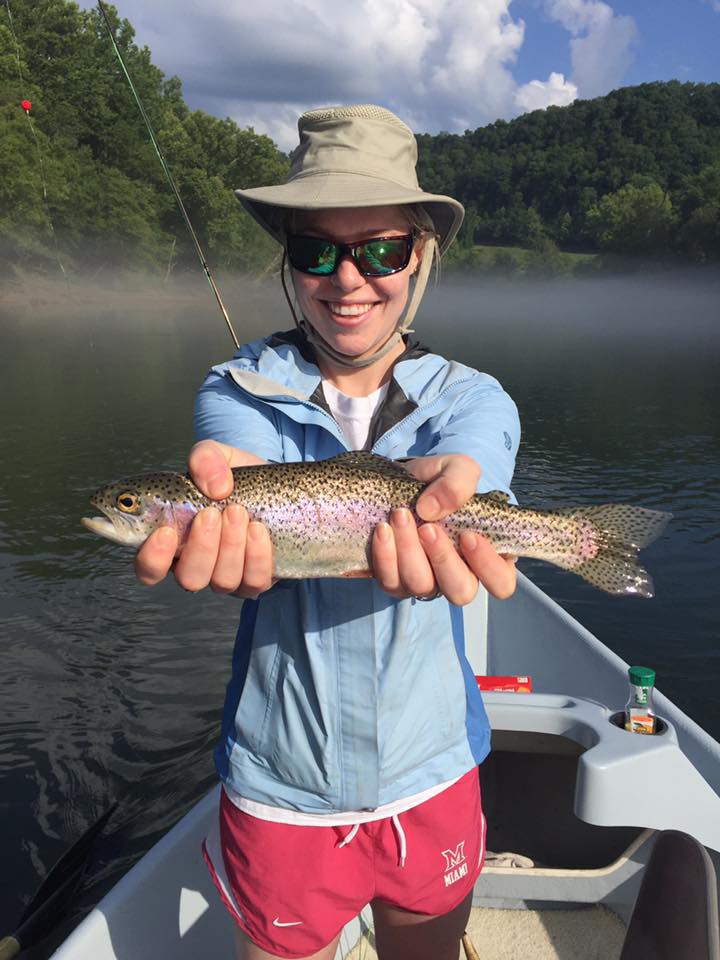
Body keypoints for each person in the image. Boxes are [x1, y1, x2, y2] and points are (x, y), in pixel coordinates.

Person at [135, 104, 520, 960]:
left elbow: (475, 460)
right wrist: (221, 492)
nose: (349, 279)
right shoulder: (234, 390)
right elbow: (231, 459)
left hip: (435, 766)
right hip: (282, 785)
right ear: (289, 263)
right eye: (316, 250)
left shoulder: (474, 397)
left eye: (381, 249)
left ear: (421, 257)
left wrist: (462, 487)